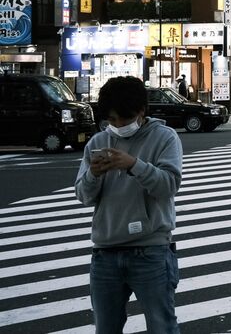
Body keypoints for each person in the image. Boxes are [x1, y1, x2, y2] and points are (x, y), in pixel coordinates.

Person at [75, 76, 183, 334]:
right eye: (112, 120)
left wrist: (133, 164)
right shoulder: (98, 143)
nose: (118, 125)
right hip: (105, 252)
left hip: (151, 251)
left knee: (162, 326)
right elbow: (83, 194)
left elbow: (168, 185)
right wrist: (93, 174)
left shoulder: (164, 138)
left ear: (141, 111)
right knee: (106, 328)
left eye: (124, 119)